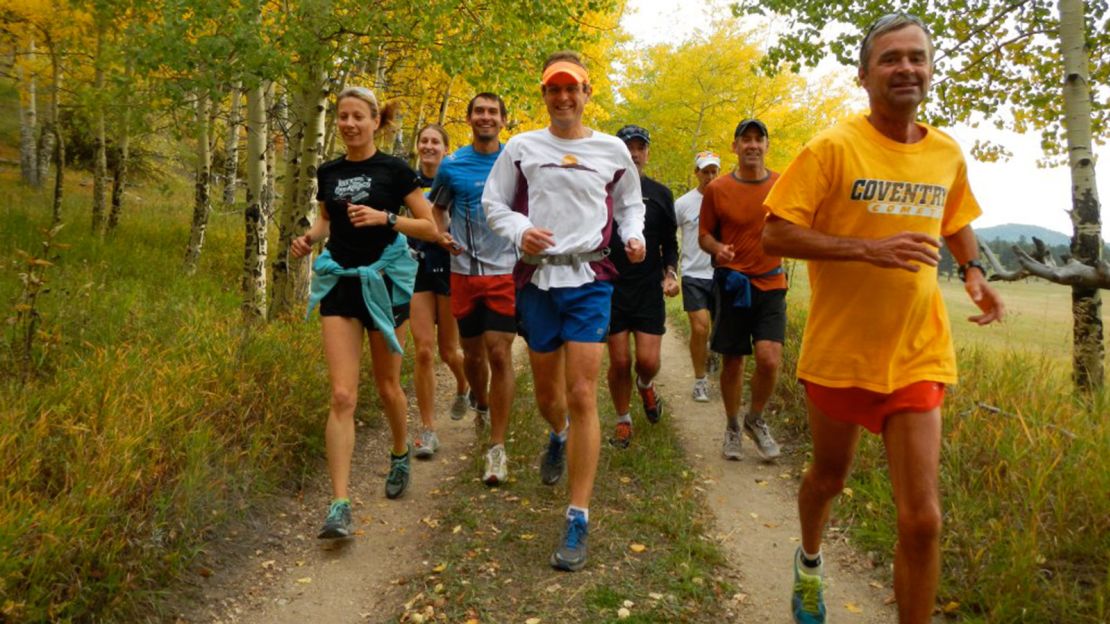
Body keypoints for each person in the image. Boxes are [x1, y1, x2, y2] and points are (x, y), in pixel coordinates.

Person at [760, 13, 1004, 624]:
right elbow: (774, 233)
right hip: (841, 352)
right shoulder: (833, 147)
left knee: (922, 521)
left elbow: (954, 219)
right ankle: (810, 560)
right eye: (891, 59)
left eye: (917, 57)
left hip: (918, 351)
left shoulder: (946, 152)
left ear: (930, 69)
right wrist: (867, 248)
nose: (907, 68)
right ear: (864, 74)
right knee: (828, 478)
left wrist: (974, 271)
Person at [484, 51, 645, 571]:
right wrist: (517, 230)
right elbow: (495, 204)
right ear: (544, 95)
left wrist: (635, 235)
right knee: (550, 396)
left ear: (587, 91)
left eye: (571, 88)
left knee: (581, 392)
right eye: (554, 89)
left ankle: (578, 516)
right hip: (536, 277)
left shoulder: (612, 149)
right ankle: (557, 437)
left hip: (590, 278)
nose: (563, 97)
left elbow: (629, 204)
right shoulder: (523, 147)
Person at [292, 86, 439, 539]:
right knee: (342, 395)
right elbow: (326, 219)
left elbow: (430, 227)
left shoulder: (395, 170)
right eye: (343, 117)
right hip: (340, 280)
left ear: (376, 121)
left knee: (388, 386)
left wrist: (386, 219)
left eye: (359, 116)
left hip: (383, 285)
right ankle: (339, 504)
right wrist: (309, 239)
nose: (350, 124)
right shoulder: (328, 171)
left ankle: (398, 452)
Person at [431, 93, 519, 485]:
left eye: (492, 112)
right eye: (479, 111)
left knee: (500, 353)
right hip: (463, 271)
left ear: (503, 120)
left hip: (505, 273)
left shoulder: (517, 164)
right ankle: (480, 403)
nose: (486, 117)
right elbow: (437, 209)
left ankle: (497, 449)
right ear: (469, 119)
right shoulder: (451, 167)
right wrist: (440, 235)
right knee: (473, 356)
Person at [698, 119, 787, 463]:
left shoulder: (782, 185)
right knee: (733, 361)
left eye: (758, 139)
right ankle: (733, 425)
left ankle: (756, 418)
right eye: (745, 140)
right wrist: (717, 248)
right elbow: (704, 235)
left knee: (769, 358)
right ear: (734, 147)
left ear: (766, 145)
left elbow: (795, 225)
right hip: (734, 285)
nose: (752, 145)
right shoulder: (718, 189)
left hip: (772, 282)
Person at [607, 124, 678, 449]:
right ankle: (623, 419)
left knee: (647, 362)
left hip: (649, 288)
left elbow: (669, 243)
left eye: (640, 147)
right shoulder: (602, 191)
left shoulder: (661, 195)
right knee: (619, 361)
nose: (634, 153)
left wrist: (670, 273)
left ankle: (646, 385)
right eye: (627, 147)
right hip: (612, 287)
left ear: (647, 153)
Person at [409, 124, 470, 460]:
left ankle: (464, 385)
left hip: (448, 267)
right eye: (424, 141)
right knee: (422, 351)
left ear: (446, 148)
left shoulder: (453, 181)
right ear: (418, 146)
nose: (429, 146)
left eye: (435, 142)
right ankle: (428, 430)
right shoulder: (407, 183)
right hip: (416, 268)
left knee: (449, 351)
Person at [673, 151, 721, 402]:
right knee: (700, 326)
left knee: (720, 331)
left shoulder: (727, 198)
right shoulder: (683, 204)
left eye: (714, 171)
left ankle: (713, 351)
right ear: (697, 173)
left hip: (722, 273)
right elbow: (669, 237)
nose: (710, 176)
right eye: (705, 172)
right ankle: (700, 381)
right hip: (694, 273)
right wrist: (669, 270)